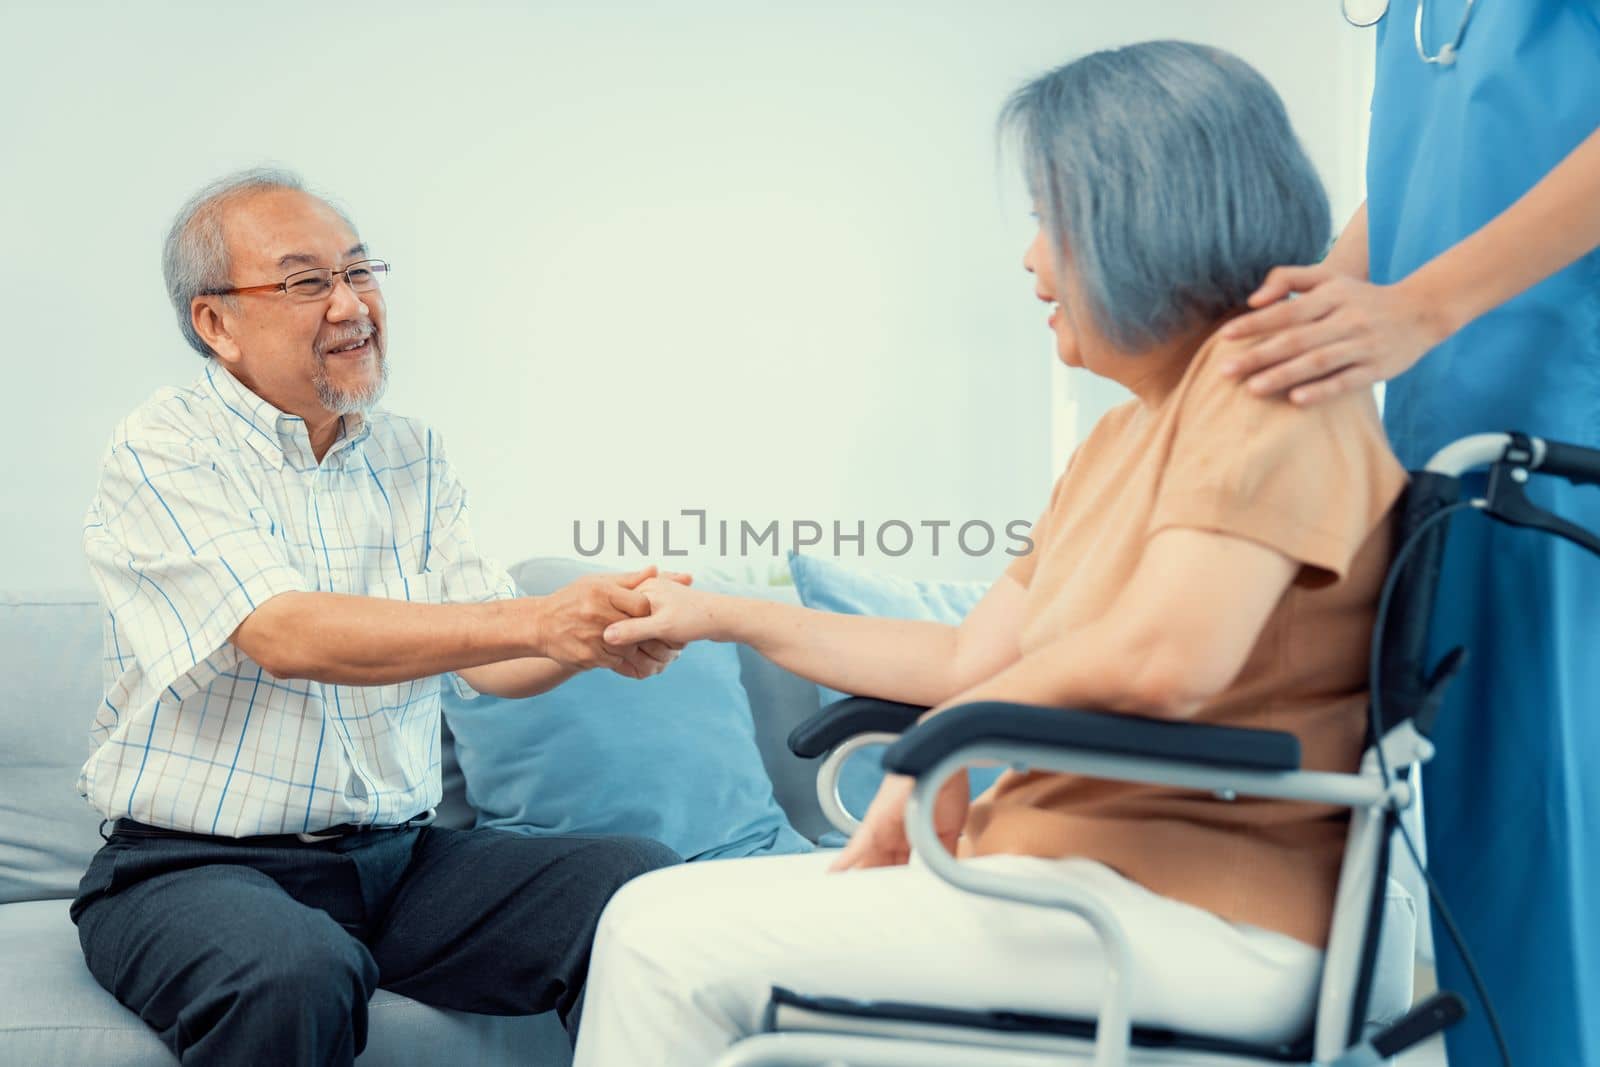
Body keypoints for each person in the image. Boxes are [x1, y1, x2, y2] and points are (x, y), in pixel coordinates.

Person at [565, 42, 1408, 1065]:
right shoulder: (1122, 434)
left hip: (1195, 911)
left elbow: (1164, 658)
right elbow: (971, 659)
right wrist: (726, 611)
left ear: (1139, 216)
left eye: (1049, 222)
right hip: (1075, 885)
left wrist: (946, 743)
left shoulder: (1266, 392)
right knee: (650, 916)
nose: (1030, 260)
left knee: (660, 942)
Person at [72, 168, 682, 1065]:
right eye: (306, 281)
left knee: (641, 888)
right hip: (190, 868)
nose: (351, 303)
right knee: (291, 971)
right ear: (216, 324)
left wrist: (592, 634)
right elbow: (286, 632)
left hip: (398, 868)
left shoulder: (411, 453)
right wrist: (531, 622)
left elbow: (492, 660)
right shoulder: (163, 445)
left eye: (360, 272)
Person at [1219, 4, 1600, 1062]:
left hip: (1567, 441)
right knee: (1495, 860)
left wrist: (1421, 308)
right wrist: (1332, 293)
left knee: (1566, 849)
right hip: (1455, 457)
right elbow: (1435, 178)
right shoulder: (1411, 20)